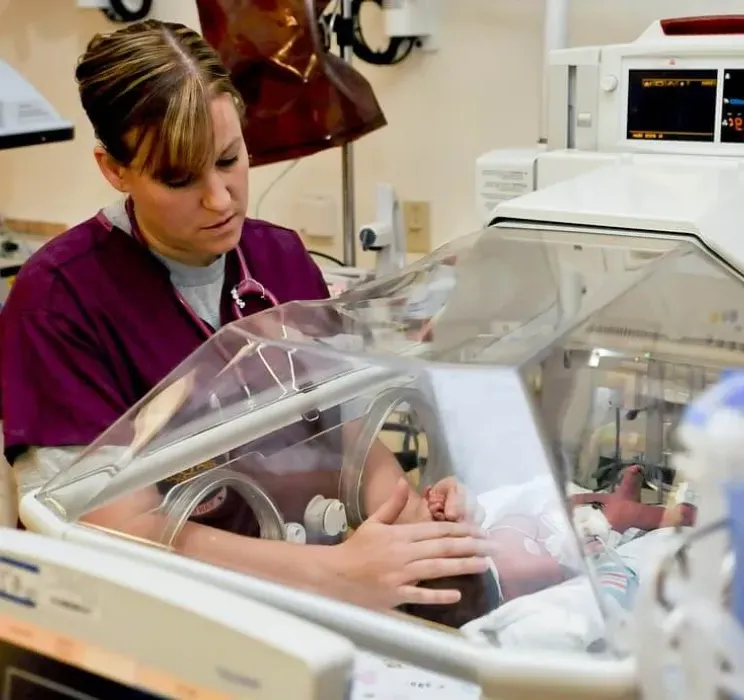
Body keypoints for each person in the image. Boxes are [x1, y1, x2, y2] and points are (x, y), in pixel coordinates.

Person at [0, 20, 489, 612]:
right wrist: (332, 573)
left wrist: (412, 521)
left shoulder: (279, 259)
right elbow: (107, 525)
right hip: (155, 612)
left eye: (229, 159)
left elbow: (348, 434)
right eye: (178, 178)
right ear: (114, 169)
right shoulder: (60, 299)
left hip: (300, 578)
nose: (220, 198)